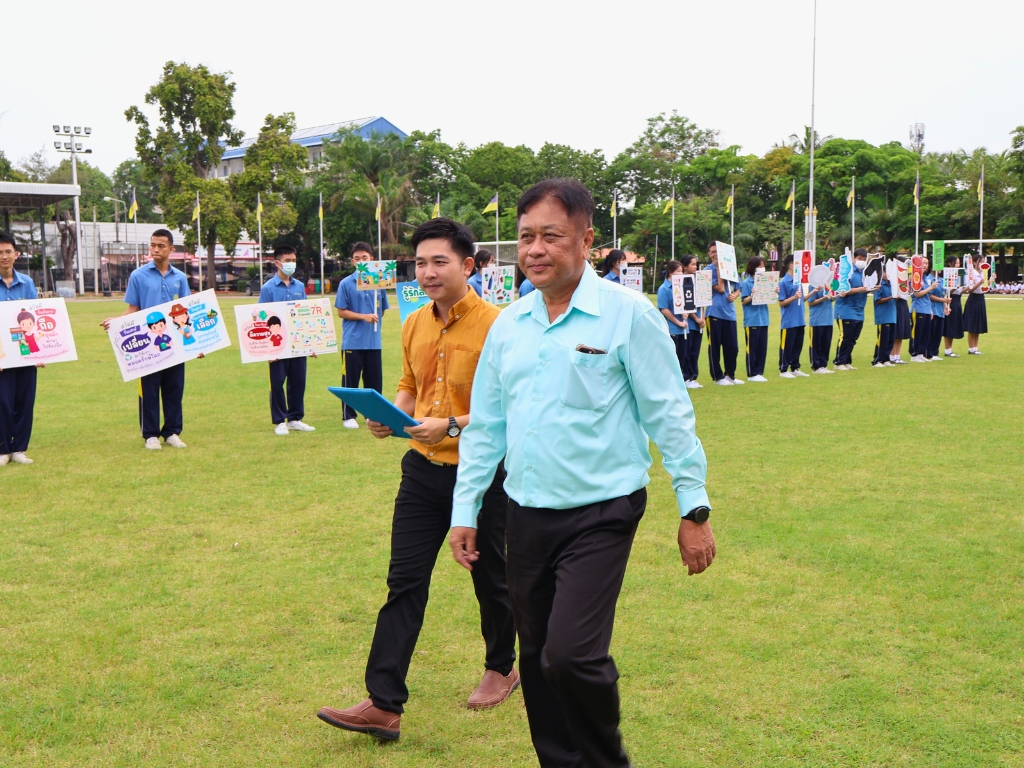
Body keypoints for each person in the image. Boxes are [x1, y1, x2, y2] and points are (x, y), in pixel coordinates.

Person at [448, 179, 715, 768]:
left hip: (602, 511)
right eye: (526, 237)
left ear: (587, 240)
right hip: (525, 512)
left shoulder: (629, 315)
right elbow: (487, 426)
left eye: (551, 235)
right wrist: (466, 509)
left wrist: (693, 509)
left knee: (571, 655)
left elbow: (669, 414)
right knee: (538, 655)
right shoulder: (509, 325)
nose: (535, 249)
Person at [317, 218, 518, 741]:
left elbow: (512, 406)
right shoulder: (413, 324)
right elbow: (409, 384)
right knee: (404, 581)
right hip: (421, 473)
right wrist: (390, 414)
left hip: (483, 474)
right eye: (420, 263)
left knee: (491, 578)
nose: (427, 272)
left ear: (467, 265)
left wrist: (450, 424)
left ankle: (502, 665)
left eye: (439, 262)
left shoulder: (500, 326)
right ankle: (383, 704)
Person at [101, 229, 196, 450]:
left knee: (174, 389)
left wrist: (196, 344)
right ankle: (150, 435)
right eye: (153, 245)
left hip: (175, 345)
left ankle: (172, 432)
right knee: (149, 391)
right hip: (147, 346)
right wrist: (116, 322)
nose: (155, 249)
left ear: (171, 249)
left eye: (161, 246)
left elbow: (187, 313)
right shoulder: (138, 276)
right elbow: (133, 308)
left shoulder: (180, 278)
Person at [260, 245, 316, 436]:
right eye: (287, 261)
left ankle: (295, 419)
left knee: (298, 381)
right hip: (277, 344)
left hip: (297, 342)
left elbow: (305, 315)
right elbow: (261, 318)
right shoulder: (268, 288)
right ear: (277, 263)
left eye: (293, 260)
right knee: (277, 383)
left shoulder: (299, 287)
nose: (291, 264)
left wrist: (310, 344)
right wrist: (268, 349)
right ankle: (279, 421)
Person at [0, 232, 44, 466]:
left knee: (25, 402)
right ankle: (3, 450)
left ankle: (19, 448)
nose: (4, 256)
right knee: (3, 403)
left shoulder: (27, 283)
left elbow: (34, 319)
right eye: (0, 253)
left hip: (25, 353)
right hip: (1, 356)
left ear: (16, 254)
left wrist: (40, 353)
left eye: (8, 251)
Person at [335, 242, 389, 428]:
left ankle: (373, 415)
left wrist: (373, 317)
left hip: (373, 342)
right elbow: (341, 311)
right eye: (357, 259)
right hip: (352, 341)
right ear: (352, 261)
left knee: (374, 382)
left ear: (372, 260)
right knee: (350, 381)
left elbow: (382, 309)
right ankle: (348, 416)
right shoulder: (346, 283)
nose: (361, 262)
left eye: (364, 258)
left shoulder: (379, 283)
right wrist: (363, 316)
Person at [705, 241, 743, 385]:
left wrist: (735, 295)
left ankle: (730, 375)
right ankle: (717, 377)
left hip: (729, 313)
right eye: (713, 252)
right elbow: (720, 289)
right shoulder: (708, 271)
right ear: (709, 254)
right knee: (715, 346)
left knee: (732, 347)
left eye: (718, 251)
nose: (716, 254)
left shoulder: (730, 268)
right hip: (714, 312)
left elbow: (738, 287)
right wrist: (718, 267)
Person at [833, 248, 872, 370]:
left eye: (864, 259)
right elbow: (841, 290)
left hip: (859, 309)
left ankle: (846, 361)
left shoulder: (865, 273)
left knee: (853, 338)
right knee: (845, 337)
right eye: (860, 259)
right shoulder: (847, 272)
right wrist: (858, 289)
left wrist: (872, 288)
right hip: (845, 309)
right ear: (854, 258)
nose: (862, 261)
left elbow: (865, 288)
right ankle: (839, 362)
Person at [656, 260, 691, 384]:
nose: (681, 274)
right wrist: (678, 322)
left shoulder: (682, 287)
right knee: (672, 358)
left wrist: (686, 313)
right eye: (679, 271)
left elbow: (686, 304)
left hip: (684, 329)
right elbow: (664, 310)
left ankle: (680, 381)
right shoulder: (664, 289)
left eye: (682, 271)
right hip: (672, 329)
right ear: (670, 272)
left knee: (682, 356)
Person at [739, 256, 770, 382]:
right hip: (752, 320)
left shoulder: (766, 281)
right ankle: (752, 373)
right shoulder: (747, 283)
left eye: (763, 266)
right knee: (752, 348)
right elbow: (743, 301)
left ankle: (759, 372)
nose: (762, 268)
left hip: (764, 318)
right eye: (760, 266)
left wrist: (774, 290)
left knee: (762, 347)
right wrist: (753, 294)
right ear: (753, 267)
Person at [777, 254, 808, 378]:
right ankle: (783, 369)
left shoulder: (798, 281)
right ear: (791, 265)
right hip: (789, 320)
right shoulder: (783, 282)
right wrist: (794, 297)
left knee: (797, 345)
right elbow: (781, 302)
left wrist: (813, 292)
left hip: (800, 319)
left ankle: (795, 367)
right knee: (787, 346)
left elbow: (801, 299)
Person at [678, 255, 706, 388]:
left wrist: (703, 318)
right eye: (693, 264)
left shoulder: (698, 280)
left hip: (699, 322)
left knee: (695, 350)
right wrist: (696, 318)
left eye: (696, 264)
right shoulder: (682, 281)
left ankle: (693, 376)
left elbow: (703, 301)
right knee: (687, 351)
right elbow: (685, 303)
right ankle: (687, 377)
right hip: (689, 321)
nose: (695, 267)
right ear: (685, 266)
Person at [909, 258, 935, 362]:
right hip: (918, 308)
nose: (925, 265)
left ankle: (921, 353)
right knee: (918, 333)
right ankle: (915, 354)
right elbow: (917, 294)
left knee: (926, 333)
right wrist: (931, 288)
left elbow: (927, 296)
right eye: (923, 263)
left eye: (926, 263)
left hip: (926, 309)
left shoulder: (925, 277)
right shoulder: (915, 277)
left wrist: (930, 309)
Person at [806, 280, 834, 374]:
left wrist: (838, 295)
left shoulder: (828, 284)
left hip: (828, 319)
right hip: (817, 319)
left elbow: (830, 299)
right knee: (816, 344)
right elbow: (810, 302)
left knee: (826, 344)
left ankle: (823, 365)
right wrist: (823, 298)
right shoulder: (813, 285)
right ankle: (816, 366)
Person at [871, 274, 897, 368]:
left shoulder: (892, 284)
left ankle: (886, 358)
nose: (887, 275)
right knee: (882, 339)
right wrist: (890, 297)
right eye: (885, 272)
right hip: (883, 316)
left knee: (890, 339)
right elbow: (878, 300)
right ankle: (878, 359)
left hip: (892, 315)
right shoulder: (879, 284)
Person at [964, 257, 987, 354]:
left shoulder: (983, 272)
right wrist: (979, 282)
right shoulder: (971, 273)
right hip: (973, 298)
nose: (982, 263)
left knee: (978, 324)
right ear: (974, 262)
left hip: (981, 298)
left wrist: (990, 280)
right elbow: (969, 290)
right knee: (972, 325)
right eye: (980, 261)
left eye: (983, 261)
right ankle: (971, 348)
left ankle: (975, 347)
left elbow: (985, 287)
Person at [890, 256, 911, 364]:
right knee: (896, 331)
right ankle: (891, 355)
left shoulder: (906, 277)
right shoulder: (893, 276)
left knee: (902, 331)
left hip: (903, 303)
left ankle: (897, 355)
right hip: (896, 304)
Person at [927, 266, 950, 361]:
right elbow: (929, 295)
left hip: (940, 310)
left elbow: (943, 294)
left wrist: (946, 305)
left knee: (938, 332)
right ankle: (929, 353)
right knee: (931, 332)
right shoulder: (929, 279)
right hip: (932, 308)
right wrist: (943, 300)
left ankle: (935, 352)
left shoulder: (941, 280)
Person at [943, 255, 965, 357]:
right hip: (950, 299)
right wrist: (955, 287)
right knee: (949, 325)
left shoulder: (960, 274)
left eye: (959, 263)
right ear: (950, 263)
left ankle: (949, 349)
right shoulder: (947, 274)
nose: (958, 265)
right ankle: (947, 350)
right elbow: (947, 292)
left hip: (957, 300)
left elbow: (960, 291)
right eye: (956, 263)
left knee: (954, 324)